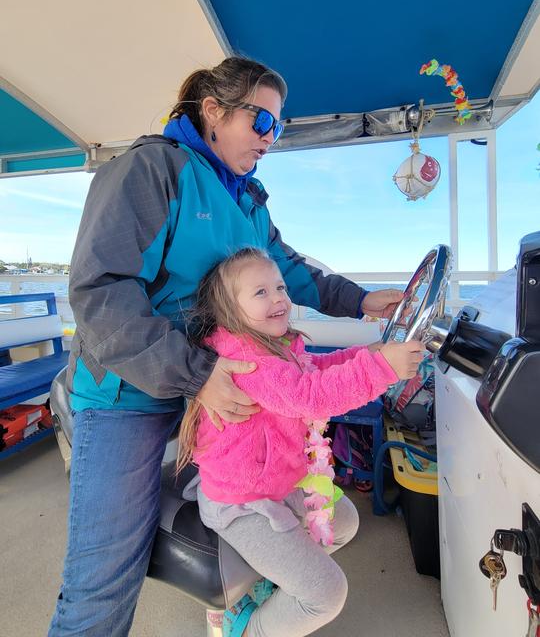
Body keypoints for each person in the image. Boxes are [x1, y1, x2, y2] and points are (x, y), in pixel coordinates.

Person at [50, 56, 414, 636]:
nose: (271, 139)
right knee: (106, 569)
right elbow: (99, 293)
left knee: (271, 504)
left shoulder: (248, 198)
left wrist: (362, 301)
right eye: (262, 122)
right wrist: (198, 373)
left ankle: (249, 604)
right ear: (214, 112)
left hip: (212, 379)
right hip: (132, 388)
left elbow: (289, 270)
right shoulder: (150, 171)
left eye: (279, 128)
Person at [178, 247, 423, 637]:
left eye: (279, 286)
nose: (278, 297)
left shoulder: (275, 345)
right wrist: (382, 368)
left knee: (343, 522)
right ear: (228, 309)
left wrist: (369, 353)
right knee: (326, 594)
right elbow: (310, 395)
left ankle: (269, 584)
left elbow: (316, 369)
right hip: (243, 502)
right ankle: (241, 629)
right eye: (260, 292)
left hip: (278, 482)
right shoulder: (247, 362)